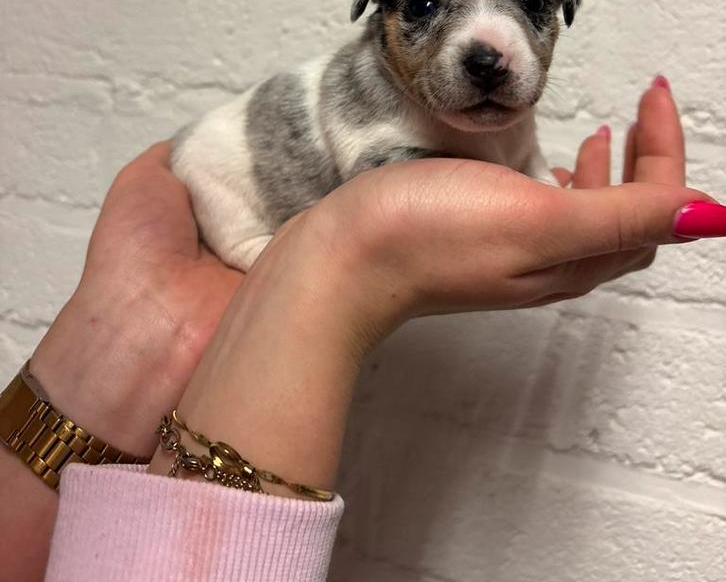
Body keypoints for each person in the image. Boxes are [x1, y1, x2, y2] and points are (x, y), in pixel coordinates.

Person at [1, 77, 724, 581]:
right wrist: (332, 269)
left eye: (532, 2)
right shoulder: (366, 103)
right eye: (428, 4)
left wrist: (116, 354)